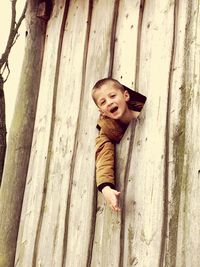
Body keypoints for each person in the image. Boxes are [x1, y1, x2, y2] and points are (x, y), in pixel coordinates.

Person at [92, 78, 146, 212]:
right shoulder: (106, 130)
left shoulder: (143, 106)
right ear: (102, 111)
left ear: (126, 95)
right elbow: (103, 158)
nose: (109, 102)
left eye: (112, 96)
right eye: (103, 102)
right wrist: (106, 189)